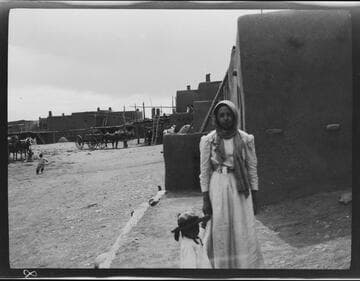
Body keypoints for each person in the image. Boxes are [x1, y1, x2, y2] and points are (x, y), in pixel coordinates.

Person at [199, 100, 263, 268]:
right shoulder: (209, 140)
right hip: (218, 185)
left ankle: (244, 268)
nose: (226, 118)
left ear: (234, 116)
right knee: (220, 225)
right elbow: (204, 172)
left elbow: (252, 168)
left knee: (241, 226)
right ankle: (222, 269)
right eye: (222, 115)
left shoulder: (245, 138)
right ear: (216, 118)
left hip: (240, 187)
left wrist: (255, 196)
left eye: (229, 115)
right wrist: (205, 199)